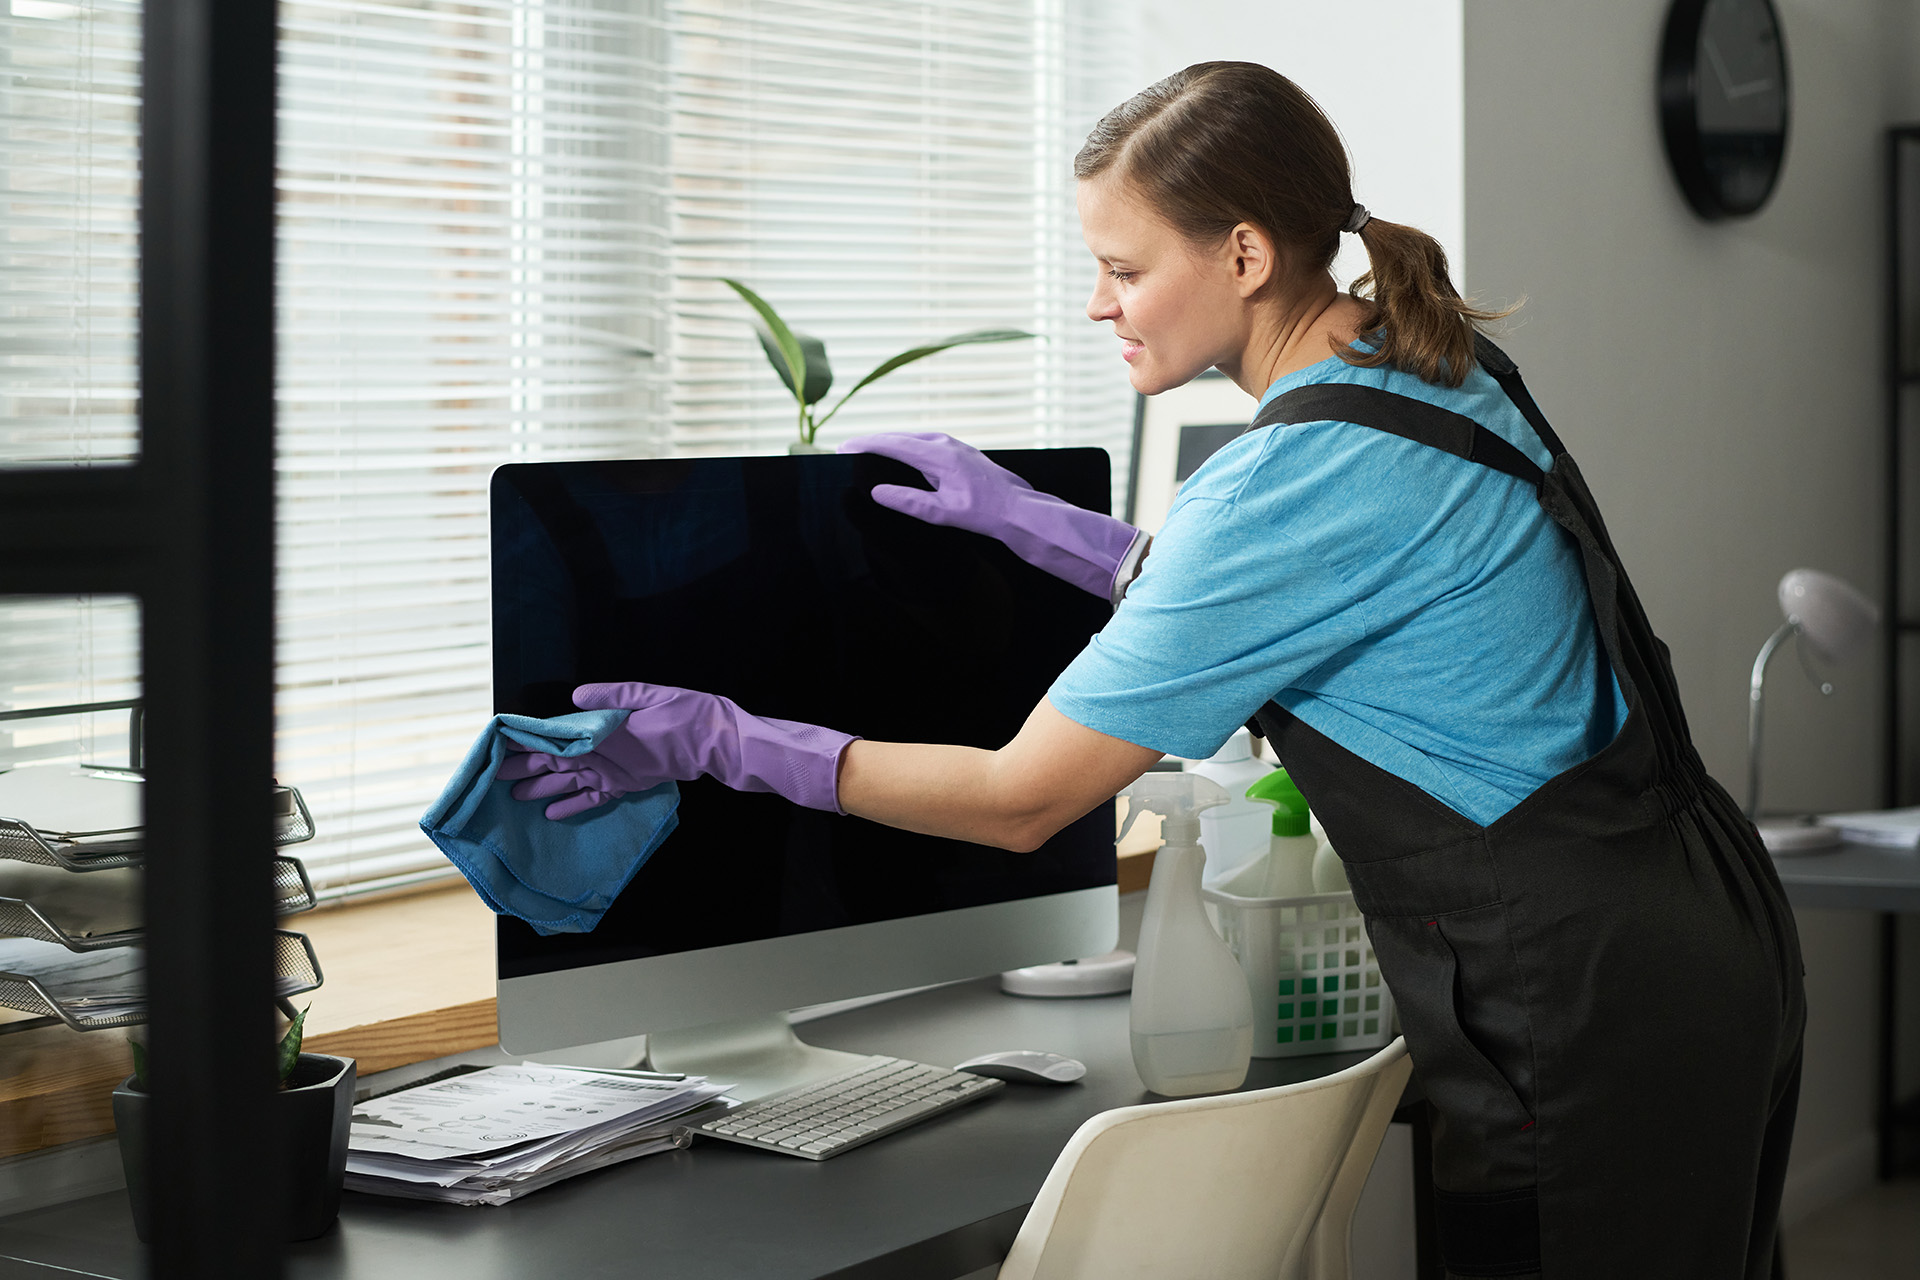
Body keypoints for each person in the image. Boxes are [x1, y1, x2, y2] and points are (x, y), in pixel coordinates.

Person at [501, 62, 1805, 1280]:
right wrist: (1021, 514)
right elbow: (1265, 590)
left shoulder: (1288, 477)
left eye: (1125, 268)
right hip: (1694, 925)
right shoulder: (1419, 360)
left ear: (1243, 252)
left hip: (1575, 1000)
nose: (1098, 302)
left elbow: (1024, 798)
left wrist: (720, 740)